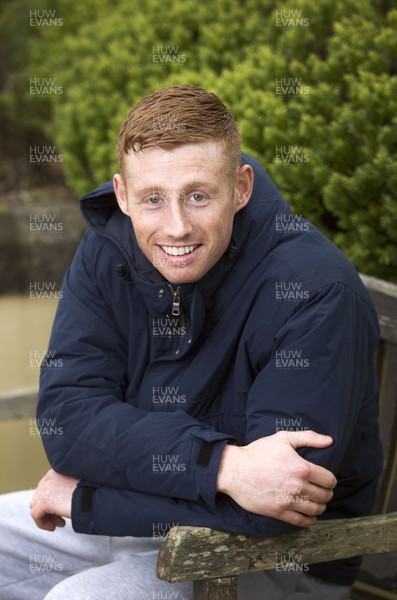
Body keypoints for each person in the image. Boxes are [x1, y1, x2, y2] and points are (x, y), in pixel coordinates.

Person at [0, 85, 382, 600]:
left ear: (240, 187)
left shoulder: (315, 290)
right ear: (122, 194)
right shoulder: (108, 247)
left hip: (277, 557)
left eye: (198, 196)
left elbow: (277, 502)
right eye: (153, 199)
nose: (175, 228)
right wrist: (225, 466)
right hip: (146, 510)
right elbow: (67, 422)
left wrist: (91, 500)